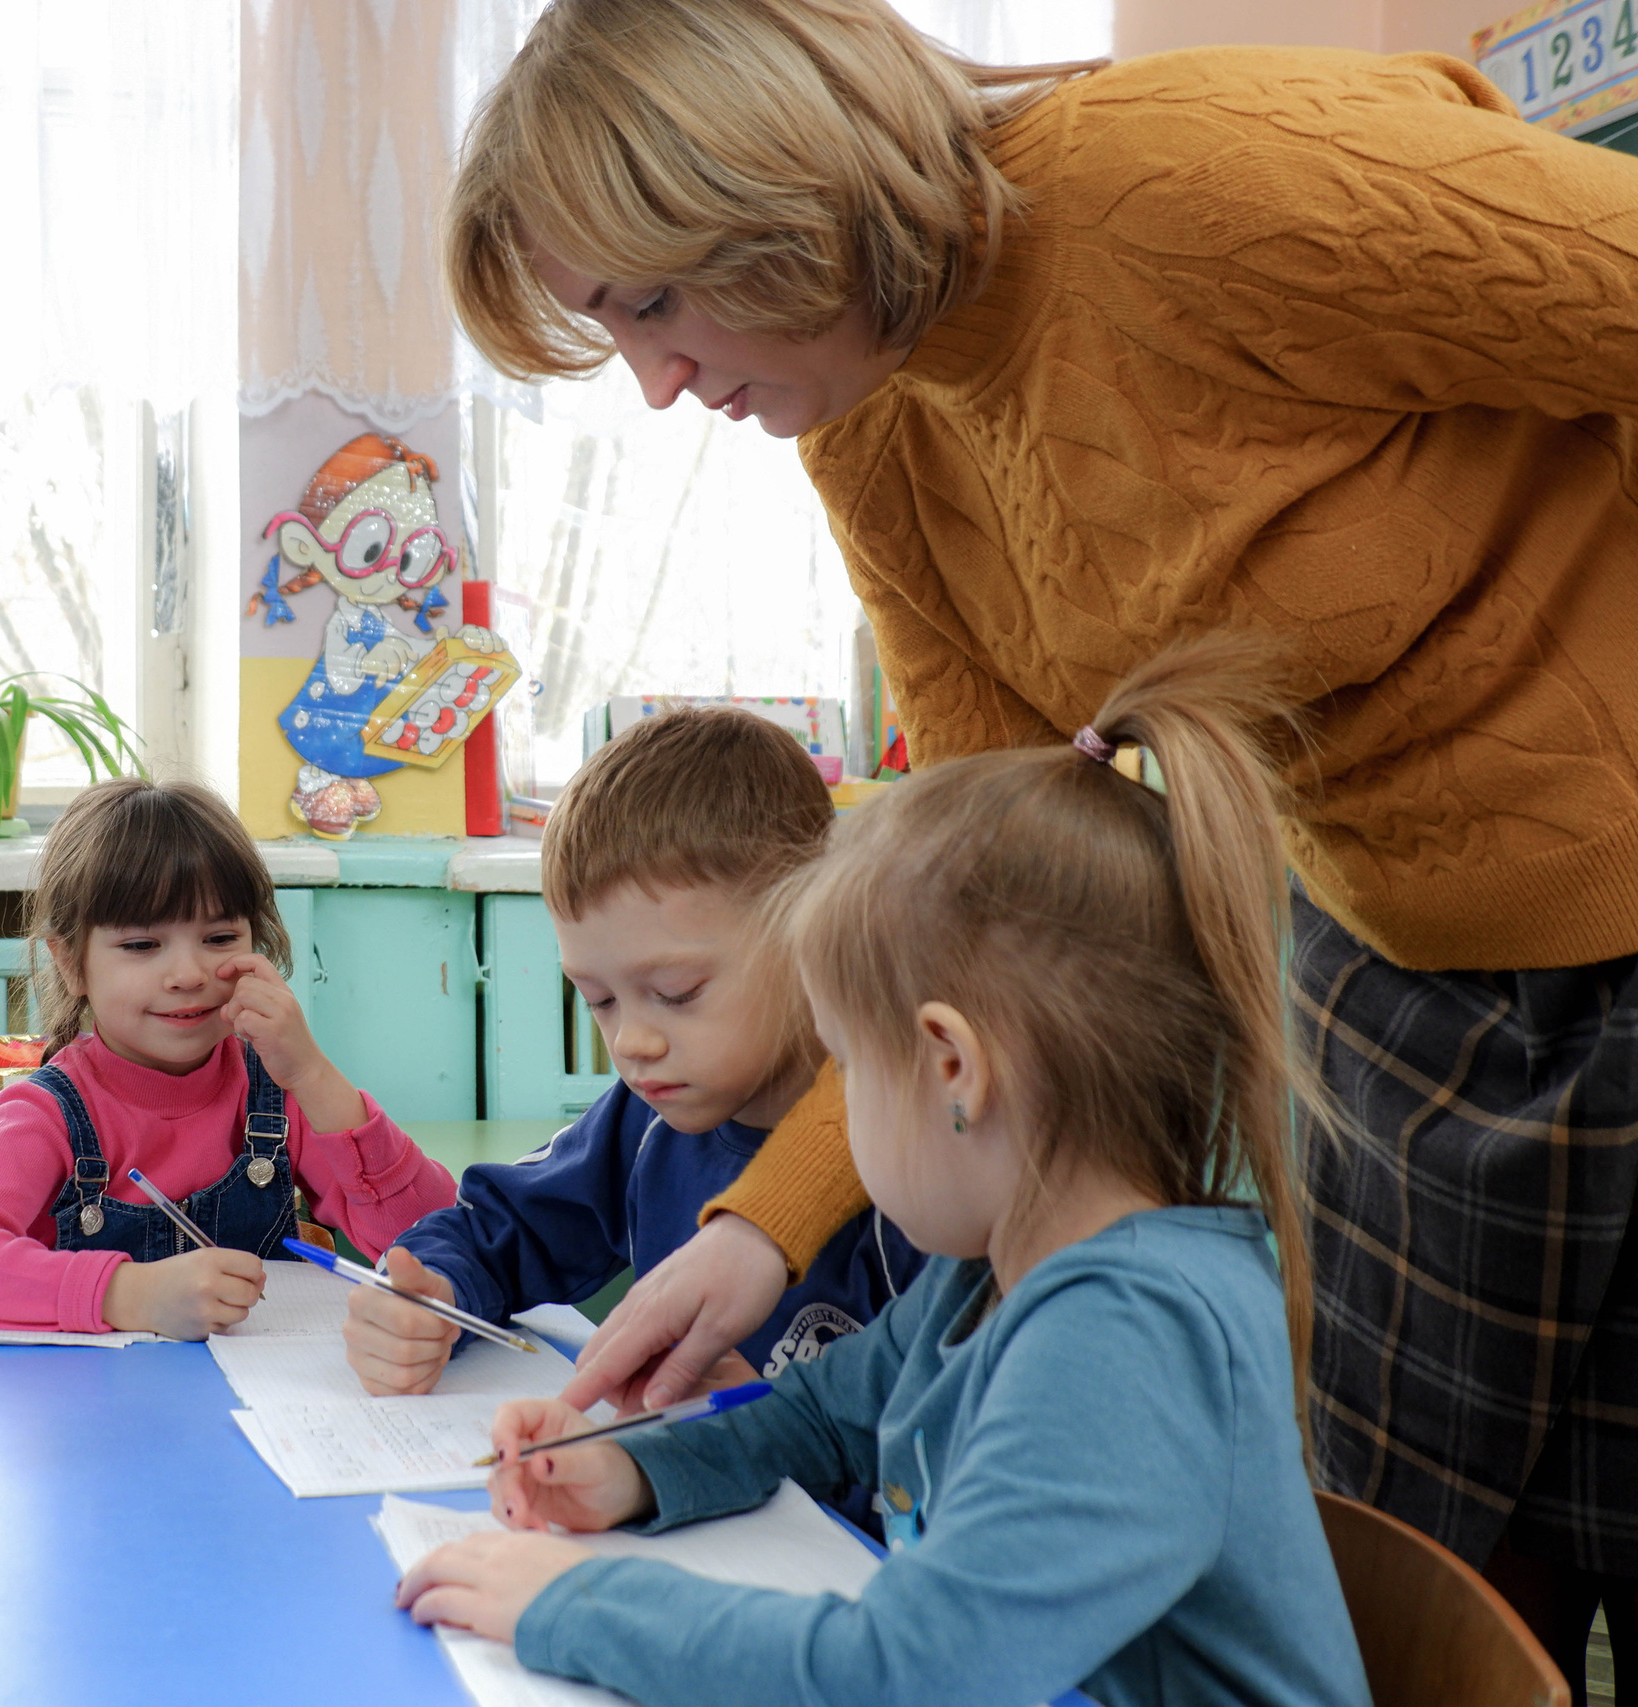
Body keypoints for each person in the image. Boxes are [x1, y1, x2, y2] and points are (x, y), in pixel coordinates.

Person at [446, 0, 1638, 1670]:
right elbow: (976, 895)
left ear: (782, 189)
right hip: (1397, 973)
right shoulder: (865, 412)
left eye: (655, 300)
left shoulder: (1199, 185)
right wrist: (754, 1231)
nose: (652, 381)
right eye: (606, 327)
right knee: (1422, 1577)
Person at [396, 642, 1367, 1707]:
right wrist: (628, 1470)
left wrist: (569, 1604)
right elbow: (811, 1420)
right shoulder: (991, 1265)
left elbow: (910, 1674)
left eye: (845, 1068)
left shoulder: (1124, 1334)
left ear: (953, 1068)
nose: (829, 1124)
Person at [342, 707, 918, 1414]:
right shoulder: (642, 1118)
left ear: (813, 931)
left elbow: (956, 1425)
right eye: (599, 999)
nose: (632, 1043)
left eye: (675, 993)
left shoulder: (909, 1151)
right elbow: (502, 1224)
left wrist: (770, 1421)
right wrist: (436, 1292)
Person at [0, 778, 456, 1341]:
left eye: (220, 937)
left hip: (271, 1407)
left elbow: (438, 1239)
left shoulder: (279, 1090)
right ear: (71, 964)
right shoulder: (46, 1112)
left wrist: (314, 1075)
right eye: (142, 946)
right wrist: (127, 1295)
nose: (188, 975)